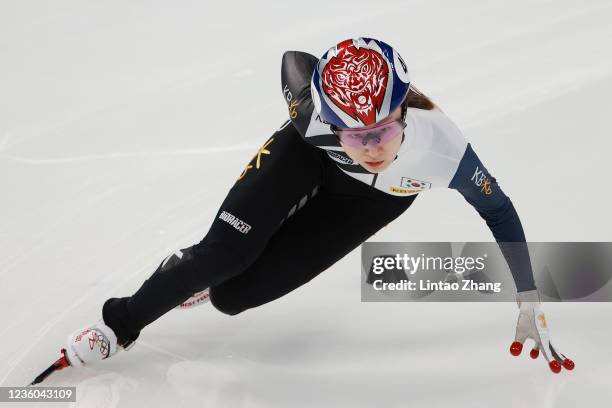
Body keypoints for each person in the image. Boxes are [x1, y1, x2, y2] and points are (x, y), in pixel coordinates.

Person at [60, 38, 573, 375]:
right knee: (222, 256)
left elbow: (499, 211)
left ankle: (203, 282)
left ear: (404, 112)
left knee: (231, 297)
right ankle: (120, 322)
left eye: (385, 130)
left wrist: (527, 293)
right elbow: (293, 60)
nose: (371, 146)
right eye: (354, 133)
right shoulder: (311, 113)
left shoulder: (445, 151)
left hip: (371, 201)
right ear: (330, 119)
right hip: (304, 159)